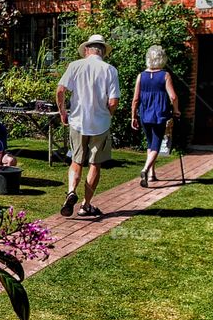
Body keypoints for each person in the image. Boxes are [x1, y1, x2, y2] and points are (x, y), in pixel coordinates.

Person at [56, 34, 121, 218]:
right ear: (102, 52)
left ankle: (70, 192)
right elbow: (114, 100)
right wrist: (109, 113)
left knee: (76, 161)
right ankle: (86, 205)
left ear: (87, 50)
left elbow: (60, 90)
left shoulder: (75, 66)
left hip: (77, 121)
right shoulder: (110, 70)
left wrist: (63, 112)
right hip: (100, 123)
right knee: (95, 164)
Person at [131, 45, 180, 187]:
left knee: (150, 142)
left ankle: (152, 174)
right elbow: (173, 96)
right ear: (162, 59)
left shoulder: (141, 76)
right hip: (159, 114)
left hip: (144, 114)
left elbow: (135, 99)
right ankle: (146, 170)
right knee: (156, 145)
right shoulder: (165, 75)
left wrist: (134, 116)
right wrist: (176, 110)